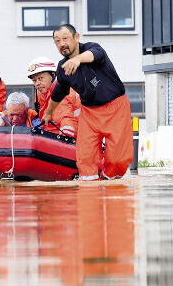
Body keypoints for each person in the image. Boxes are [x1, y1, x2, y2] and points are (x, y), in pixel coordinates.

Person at [41, 24, 133, 181]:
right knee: (85, 158)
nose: (62, 43)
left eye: (65, 38)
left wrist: (77, 59)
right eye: (57, 41)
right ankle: (89, 194)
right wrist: (48, 113)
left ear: (76, 37)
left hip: (116, 109)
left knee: (117, 159)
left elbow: (94, 55)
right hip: (89, 114)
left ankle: (108, 182)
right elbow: (58, 93)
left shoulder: (92, 48)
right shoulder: (63, 68)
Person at [27, 56, 81, 138]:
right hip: (52, 136)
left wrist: (64, 139)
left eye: (40, 78)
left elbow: (67, 120)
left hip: (77, 137)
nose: (37, 83)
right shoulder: (41, 93)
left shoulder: (62, 92)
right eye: (34, 80)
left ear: (52, 75)